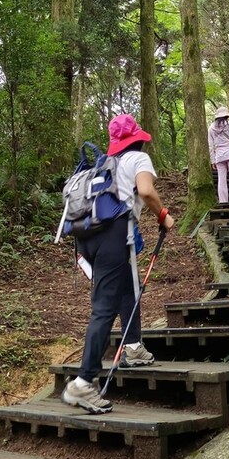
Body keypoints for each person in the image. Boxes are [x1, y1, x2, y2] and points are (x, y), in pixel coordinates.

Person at [62, 114, 175, 414]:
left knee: (127, 289)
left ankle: (134, 347)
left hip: (89, 237)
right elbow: (147, 191)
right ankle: (82, 384)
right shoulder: (138, 159)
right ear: (137, 138)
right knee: (104, 309)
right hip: (114, 234)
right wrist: (163, 215)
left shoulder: (105, 164)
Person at [208, 106, 229, 203]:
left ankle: (223, 201)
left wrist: (212, 160)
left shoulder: (211, 128)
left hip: (219, 155)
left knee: (221, 179)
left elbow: (210, 145)